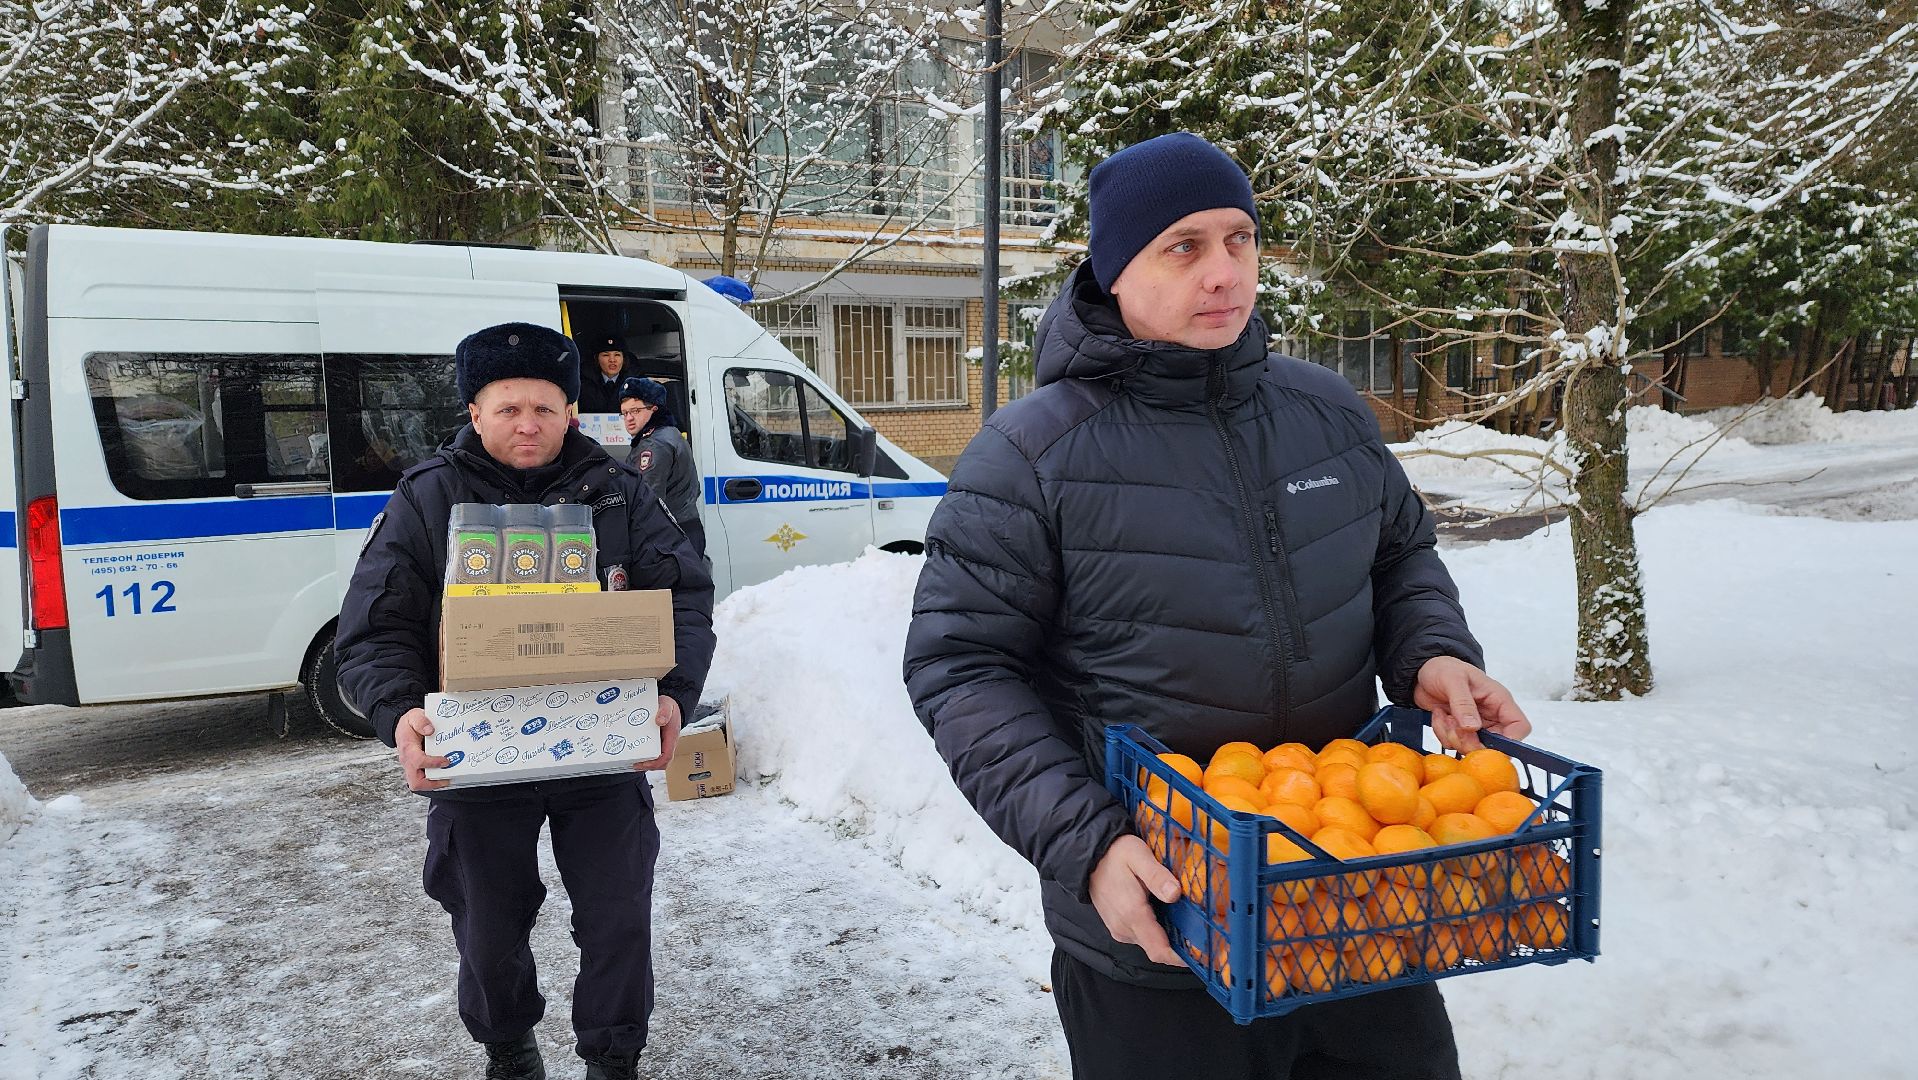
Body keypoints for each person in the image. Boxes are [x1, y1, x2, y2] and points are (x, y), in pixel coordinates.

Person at [901, 132, 1532, 1080]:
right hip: (1159, 935)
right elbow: (960, 668)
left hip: (1354, 898)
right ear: (1116, 271)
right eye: (1183, 246)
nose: (1224, 271)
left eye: (1240, 238)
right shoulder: (1030, 455)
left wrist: (1430, 652)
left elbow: (1399, 555)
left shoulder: (1327, 412)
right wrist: (1088, 844)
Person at [335, 322, 715, 1080]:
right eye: (508, 408)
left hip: (600, 751)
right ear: (475, 413)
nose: (528, 425)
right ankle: (508, 1048)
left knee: (617, 919)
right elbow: (375, 628)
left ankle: (614, 1056)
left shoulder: (618, 492)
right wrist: (399, 711)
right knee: (487, 925)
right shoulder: (428, 496)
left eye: (545, 408)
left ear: (570, 412)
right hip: (475, 759)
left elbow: (684, 597)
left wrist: (674, 693)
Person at [619, 376, 704, 557]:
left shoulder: (654, 444)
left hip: (669, 537)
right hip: (685, 529)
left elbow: (647, 500)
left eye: (635, 410)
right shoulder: (670, 433)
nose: (629, 418)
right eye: (624, 413)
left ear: (654, 409)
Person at [575, 334, 630, 414]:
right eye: (606, 355)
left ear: (624, 359)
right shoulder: (582, 384)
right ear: (597, 359)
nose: (612, 360)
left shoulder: (635, 383)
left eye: (617, 355)